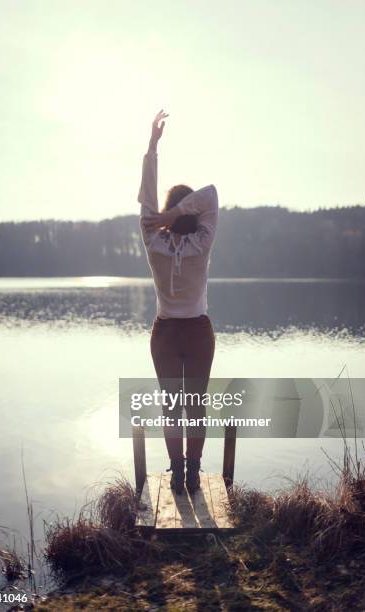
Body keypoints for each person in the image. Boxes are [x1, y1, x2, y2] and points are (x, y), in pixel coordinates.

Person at [138, 110, 218, 494]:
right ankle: (192, 471)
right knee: (196, 403)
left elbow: (146, 196)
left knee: (172, 403)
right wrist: (177, 213)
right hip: (197, 330)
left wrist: (153, 147)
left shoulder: (153, 239)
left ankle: (177, 471)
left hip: (166, 331)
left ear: (168, 213)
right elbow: (212, 195)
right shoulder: (202, 242)